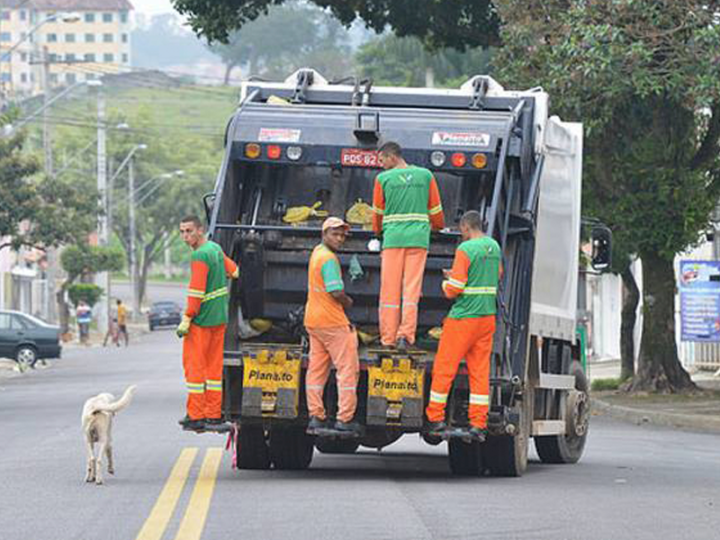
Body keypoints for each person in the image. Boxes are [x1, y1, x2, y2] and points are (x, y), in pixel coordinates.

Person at [425, 210, 502, 440]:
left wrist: (446, 281)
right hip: (487, 317)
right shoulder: (494, 246)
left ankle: (435, 419)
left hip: (463, 319)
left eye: (461, 231)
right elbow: (497, 275)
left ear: (466, 228)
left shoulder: (465, 249)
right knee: (479, 372)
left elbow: (454, 290)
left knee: (444, 368)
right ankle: (478, 423)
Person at [372, 141, 445, 350]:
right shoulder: (426, 176)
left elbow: (377, 213)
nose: (381, 164)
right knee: (411, 290)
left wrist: (377, 232)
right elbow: (436, 210)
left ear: (392, 157)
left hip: (393, 241)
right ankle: (406, 335)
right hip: (418, 240)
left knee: (389, 291)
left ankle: (388, 338)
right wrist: (437, 227)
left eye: (382, 159)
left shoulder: (383, 179)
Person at [176, 215, 239, 431]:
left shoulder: (200, 256)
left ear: (200, 230)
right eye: (182, 232)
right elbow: (234, 270)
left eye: (189, 231)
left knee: (194, 368)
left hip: (201, 320)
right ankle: (214, 415)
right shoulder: (214, 248)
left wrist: (187, 318)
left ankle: (196, 416)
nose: (185, 236)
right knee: (213, 369)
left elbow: (196, 291)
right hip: (219, 318)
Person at [304, 217, 361, 436]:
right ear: (324, 233)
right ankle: (344, 419)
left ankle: (316, 417)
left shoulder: (316, 253)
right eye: (335, 234)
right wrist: (349, 302)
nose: (340, 239)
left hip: (313, 321)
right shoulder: (328, 259)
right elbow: (335, 291)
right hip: (333, 323)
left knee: (316, 371)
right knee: (347, 371)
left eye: (342, 235)